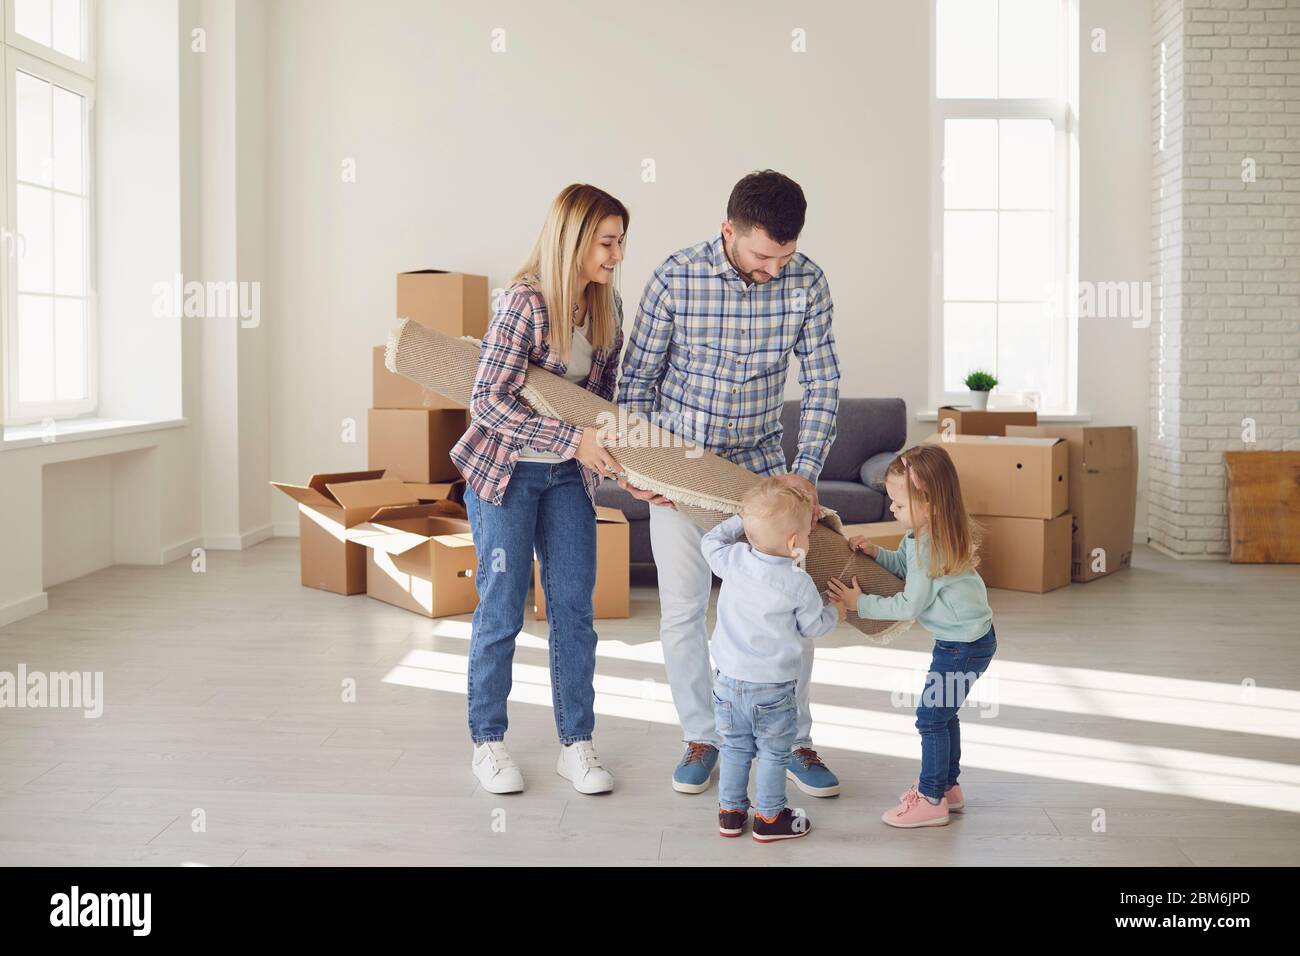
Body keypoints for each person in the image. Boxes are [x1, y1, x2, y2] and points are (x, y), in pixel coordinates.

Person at [617, 169, 843, 797]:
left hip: (764, 476)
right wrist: (643, 468)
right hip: (681, 474)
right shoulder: (675, 276)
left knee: (786, 611)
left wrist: (806, 468)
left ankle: (791, 737)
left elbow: (822, 382)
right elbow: (635, 384)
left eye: (786, 255)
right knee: (684, 612)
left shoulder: (808, 282)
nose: (775, 268)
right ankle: (703, 735)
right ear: (728, 231)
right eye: (763, 255)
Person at [451, 184, 629, 795]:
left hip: (567, 480)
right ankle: (489, 743)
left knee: (574, 611)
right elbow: (486, 401)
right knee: (501, 608)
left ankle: (576, 744)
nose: (616, 255)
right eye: (607, 242)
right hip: (505, 474)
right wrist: (572, 439)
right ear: (574, 239)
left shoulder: (606, 309)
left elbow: (600, 405)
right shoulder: (522, 303)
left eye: (620, 242)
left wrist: (614, 450)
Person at [828, 445, 997, 828]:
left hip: (963, 647)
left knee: (931, 718)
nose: (892, 510)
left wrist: (859, 603)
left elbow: (909, 604)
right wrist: (875, 552)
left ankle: (931, 797)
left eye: (899, 505)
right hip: (966, 641)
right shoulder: (925, 535)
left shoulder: (929, 544)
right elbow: (905, 567)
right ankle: (948, 789)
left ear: (930, 504)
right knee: (943, 713)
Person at [701, 479, 844, 842]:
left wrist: (741, 520)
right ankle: (769, 818)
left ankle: (731, 813)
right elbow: (813, 627)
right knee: (772, 753)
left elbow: (710, 542)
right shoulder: (798, 582)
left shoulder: (733, 560)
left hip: (728, 683)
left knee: (734, 748)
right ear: (795, 543)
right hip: (774, 689)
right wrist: (837, 611)